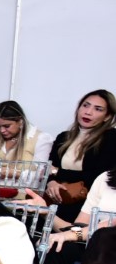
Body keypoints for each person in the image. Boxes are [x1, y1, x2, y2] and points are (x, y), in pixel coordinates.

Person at [47, 89, 116, 223]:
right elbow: (48, 168)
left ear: (107, 116)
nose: (88, 112)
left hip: (86, 205)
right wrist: (51, 182)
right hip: (58, 198)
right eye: (85, 105)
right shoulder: (63, 137)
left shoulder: (111, 138)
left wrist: (58, 172)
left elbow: (98, 176)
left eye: (98, 109)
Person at [0, 100, 53, 167]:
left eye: (7, 126)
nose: (2, 130)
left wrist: (11, 172)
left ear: (20, 121)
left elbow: (41, 171)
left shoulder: (41, 139)